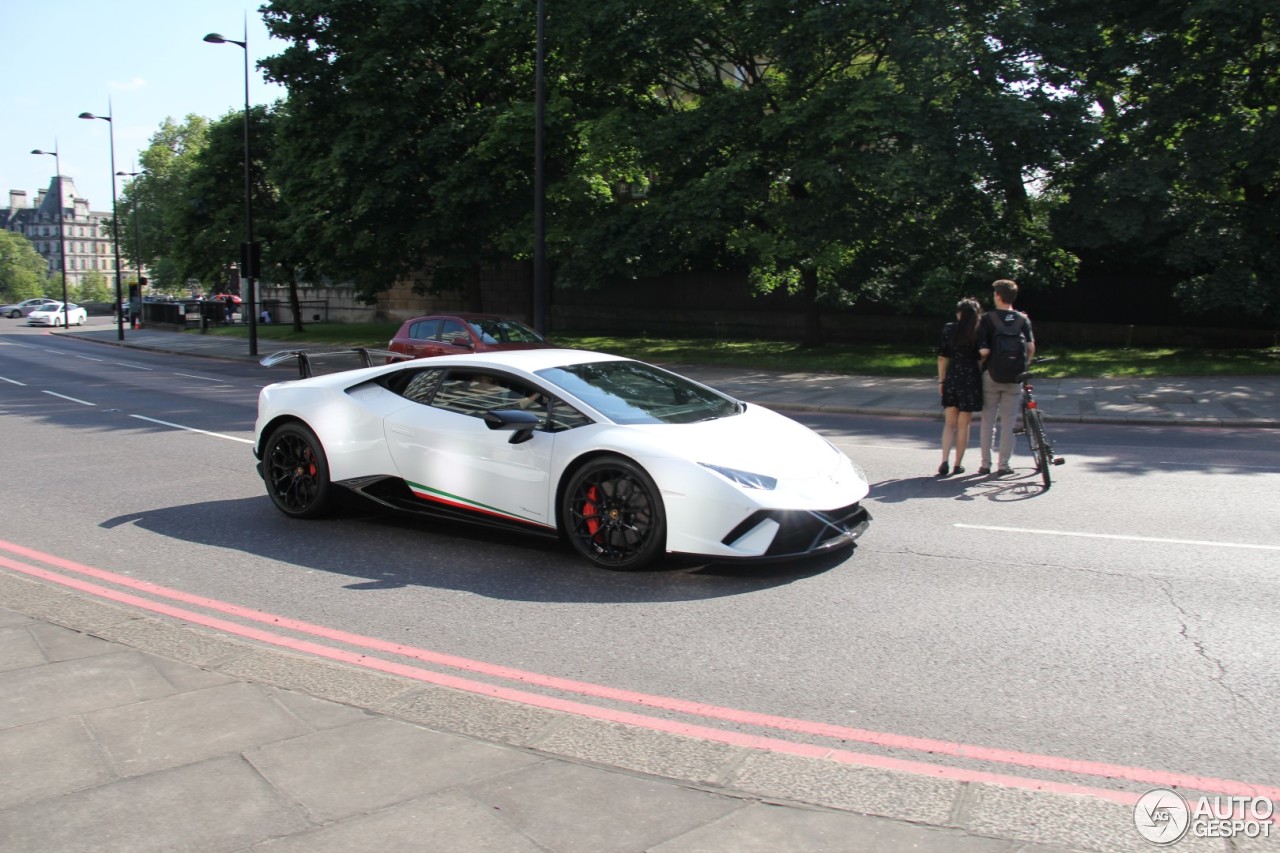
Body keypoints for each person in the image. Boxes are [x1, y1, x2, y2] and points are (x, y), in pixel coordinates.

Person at [977, 279, 1036, 476]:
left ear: (999, 296)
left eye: (994, 294)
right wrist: (1023, 364)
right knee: (1009, 422)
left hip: (991, 376)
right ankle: (1004, 465)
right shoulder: (1022, 319)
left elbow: (983, 351)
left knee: (988, 421)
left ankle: (985, 464)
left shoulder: (987, 319)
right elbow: (1030, 347)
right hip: (1015, 378)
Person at [936, 297, 984, 477]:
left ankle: (944, 460)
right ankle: (957, 465)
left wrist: (941, 380)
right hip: (971, 378)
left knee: (949, 424)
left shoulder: (949, 329)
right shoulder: (978, 331)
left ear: (959, 313)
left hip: (953, 377)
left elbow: (942, 357)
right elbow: (981, 356)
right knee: (964, 425)